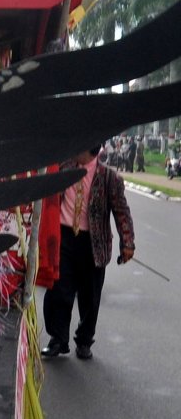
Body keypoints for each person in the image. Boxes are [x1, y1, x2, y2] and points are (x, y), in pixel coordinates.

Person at [41, 147, 135, 360]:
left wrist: (127, 242)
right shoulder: (63, 168)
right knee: (58, 290)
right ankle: (58, 339)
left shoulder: (109, 178)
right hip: (63, 236)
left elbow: (122, 212)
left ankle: (84, 340)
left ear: (88, 149)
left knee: (89, 296)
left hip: (93, 243)